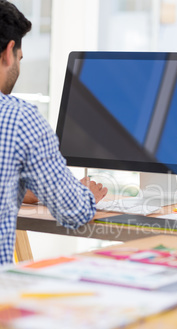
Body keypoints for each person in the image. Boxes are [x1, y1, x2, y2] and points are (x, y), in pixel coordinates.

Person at [0, 1, 108, 264]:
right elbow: (72, 211)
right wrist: (87, 196)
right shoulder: (19, 118)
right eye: (20, 59)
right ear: (9, 52)